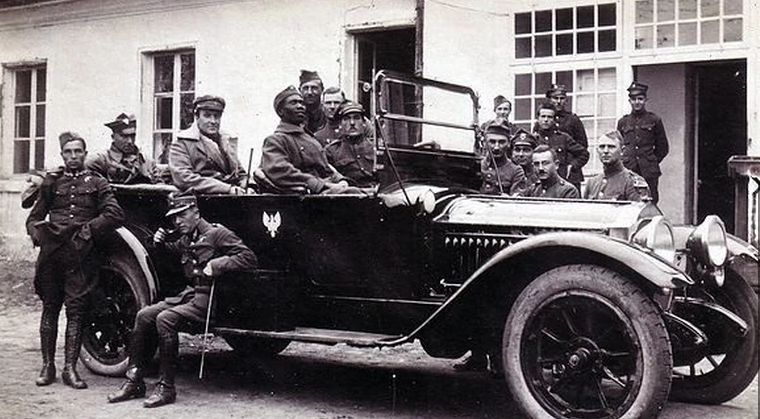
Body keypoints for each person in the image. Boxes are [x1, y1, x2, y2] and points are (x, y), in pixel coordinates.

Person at [107, 192, 257, 408]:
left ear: (196, 212)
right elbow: (170, 254)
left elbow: (248, 258)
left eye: (182, 215)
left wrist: (218, 265)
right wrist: (157, 243)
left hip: (211, 299)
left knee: (165, 319)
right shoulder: (188, 238)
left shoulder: (218, 233)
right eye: (174, 217)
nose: (177, 221)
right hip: (190, 294)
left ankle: (166, 388)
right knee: (143, 315)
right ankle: (134, 380)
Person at [26, 132, 125, 389]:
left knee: (76, 311)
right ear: (62, 155)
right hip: (52, 256)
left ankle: (70, 369)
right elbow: (34, 218)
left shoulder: (97, 182)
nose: (73, 156)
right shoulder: (51, 183)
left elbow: (114, 213)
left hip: (81, 257)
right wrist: (39, 235)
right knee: (50, 308)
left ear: (85, 153)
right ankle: (48, 367)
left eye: (78, 151)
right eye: (68, 152)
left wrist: (88, 231)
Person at [259, 86, 358, 194]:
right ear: (281, 111)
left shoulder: (310, 139)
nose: (300, 106)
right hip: (305, 196)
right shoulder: (276, 140)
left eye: (301, 103)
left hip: (323, 190)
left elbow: (326, 167)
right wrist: (319, 185)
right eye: (293, 103)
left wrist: (341, 180)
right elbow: (280, 170)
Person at [169, 95, 250, 194]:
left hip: (231, 198)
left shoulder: (225, 141)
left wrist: (246, 185)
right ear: (197, 117)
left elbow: (240, 173)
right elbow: (184, 178)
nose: (213, 121)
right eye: (207, 115)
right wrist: (227, 189)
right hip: (201, 201)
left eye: (217, 116)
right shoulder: (182, 143)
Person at [617, 81, 669, 204]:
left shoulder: (654, 120)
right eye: (634, 99)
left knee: (651, 200)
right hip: (629, 169)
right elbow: (618, 145)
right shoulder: (623, 122)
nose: (637, 102)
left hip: (648, 170)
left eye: (640, 99)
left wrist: (651, 161)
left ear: (646, 100)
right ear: (629, 101)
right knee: (627, 199)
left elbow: (663, 147)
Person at [86, 113, 156, 184]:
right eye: (124, 136)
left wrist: (146, 175)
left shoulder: (147, 161)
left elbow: (161, 188)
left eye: (132, 136)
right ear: (113, 137)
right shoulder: (102, 160)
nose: (130, 141)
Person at [533, 102, 589, 191]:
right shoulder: (533, 139)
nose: (546, 120)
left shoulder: (563, 138)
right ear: (538, 118)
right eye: (543, 116)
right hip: (538, 185)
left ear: (554, 119)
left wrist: (573, 166)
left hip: (560, 184)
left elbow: (584, 154)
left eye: (549, 117)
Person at [584, 130, 650, 201]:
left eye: (611, 147)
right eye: (602, 147)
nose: (605, 151)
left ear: (622, 151)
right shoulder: (592, 183)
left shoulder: (633, 182)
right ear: (597, 150)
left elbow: (638, 211)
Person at [544, 84, 588, 189]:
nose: (559, 101)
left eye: (562, 98)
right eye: (555, 98)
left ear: (566, 100)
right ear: (550, 100)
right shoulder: (544, 121)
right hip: (549, 171)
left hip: (570, 174)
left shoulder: (573, 120)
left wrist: (573, 165)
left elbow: (583, 147)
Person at [324, 101, 377, 188]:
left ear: (364, 123)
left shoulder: (375, 148)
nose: (352, 123)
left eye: (356, 118)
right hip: (347, 196)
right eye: (346, 119)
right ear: (340, 124)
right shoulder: (331, 151)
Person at [479, 123, 527, 195]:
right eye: (492, 142)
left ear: (509, 143)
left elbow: (517, 200)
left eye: (502, 142)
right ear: (484, 143)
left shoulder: (516, 171)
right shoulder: (478, 166)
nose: (496, 147)